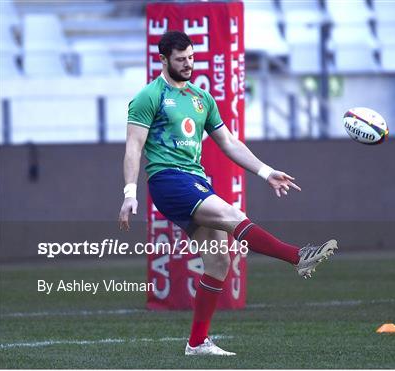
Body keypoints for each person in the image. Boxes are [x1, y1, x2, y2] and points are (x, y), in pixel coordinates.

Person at [118, 30, 338, 356]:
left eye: (192, 58)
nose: (188, 64)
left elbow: (229, 143)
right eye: (180, 60)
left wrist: (266, 172)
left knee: (219, 261)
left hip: (196, 180)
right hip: (168, 180)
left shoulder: (201, 98)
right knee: (231, 215)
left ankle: (196, 343)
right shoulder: (148, 97)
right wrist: (129, 192)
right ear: (163, 60)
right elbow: (134, 147)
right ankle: (298, 257)